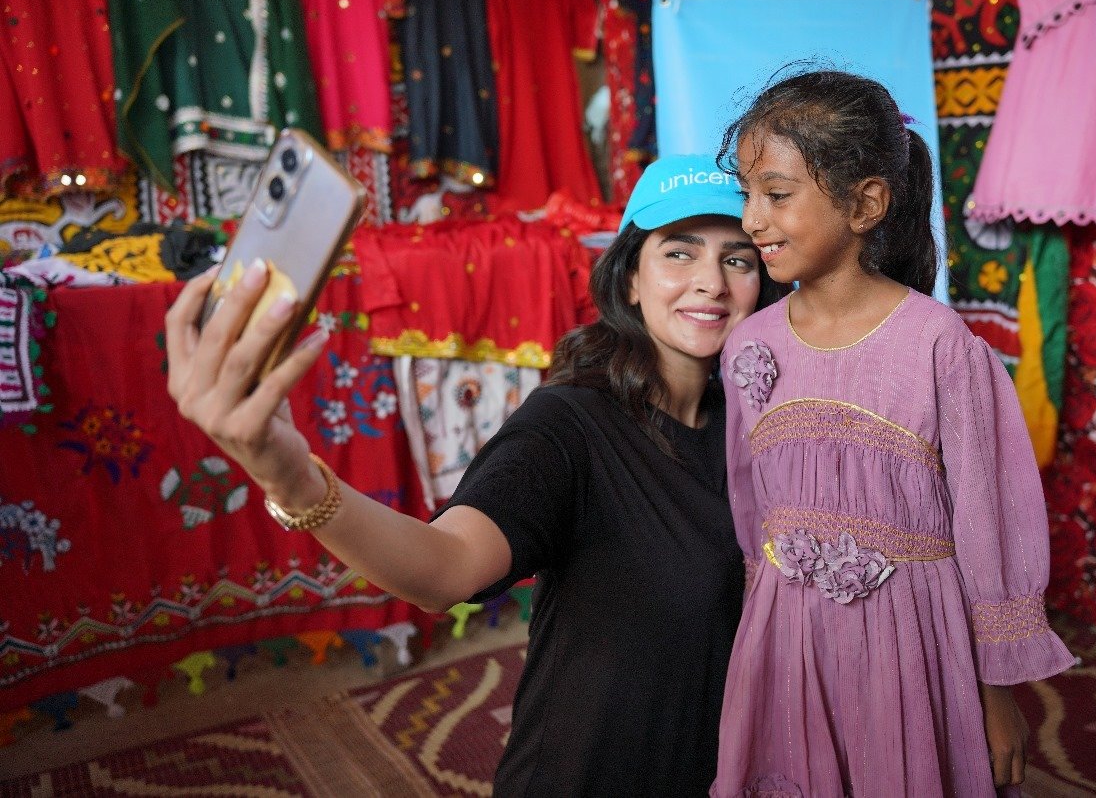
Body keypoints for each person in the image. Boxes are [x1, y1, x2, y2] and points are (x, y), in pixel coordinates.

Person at [164, 153, 788, 797]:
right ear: (630, 277)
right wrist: (292, 481)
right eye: (679, 254)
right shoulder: (569, 426)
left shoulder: (759, 418)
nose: (711, 281)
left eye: (736, 258)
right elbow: (446, 567)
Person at [710, 70, 1076, 797]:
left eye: (776, 194)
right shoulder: (748, 347)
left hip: (912, 638)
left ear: (867, 203)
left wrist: (994, 692)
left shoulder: (939, 345)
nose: (752, 219)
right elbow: (751, 504)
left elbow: (987, 517)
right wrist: (762, 634)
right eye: (747, 194)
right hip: (788, 640)